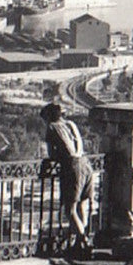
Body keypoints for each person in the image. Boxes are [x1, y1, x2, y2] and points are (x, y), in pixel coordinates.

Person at [42, 103, 95, 256]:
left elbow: (52, 154)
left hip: (72, 166)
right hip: (86, 163)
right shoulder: (71, 124)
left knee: (70, 209)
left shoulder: (51, 128)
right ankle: (79, 242)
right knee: (82, 207)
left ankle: (83, 241)